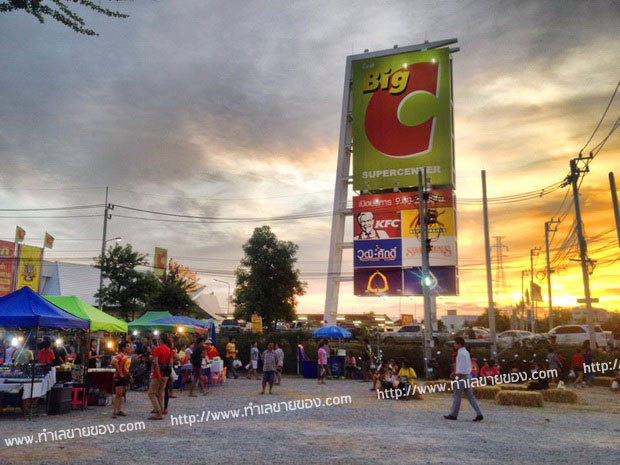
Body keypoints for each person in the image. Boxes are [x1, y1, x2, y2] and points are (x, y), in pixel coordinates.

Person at [444, 337, 483, 422]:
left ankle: (454, 414)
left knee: (457, 396)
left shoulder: (460, 353)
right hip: (468, 376)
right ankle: (479, 413)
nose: (454, 345)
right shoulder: (466, 352)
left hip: (461, 377)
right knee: (470, 396)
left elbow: (460, 367)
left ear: (459, 344)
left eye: (455, 343)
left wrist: (455, 374)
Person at [148, 334, 172, 420]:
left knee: (151, 393)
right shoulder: (169, 350)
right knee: (161, 393)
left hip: (158, 374)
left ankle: (158, 411)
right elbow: (170, 364)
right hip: (166, 374)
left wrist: (158, 375)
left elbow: (156, 363)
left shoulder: (157, 349)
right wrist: (168, 375)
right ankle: (161, 409)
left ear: (160, 340)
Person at [111, 341, 133, 418]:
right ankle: (114, 411)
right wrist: (119, 372)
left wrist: (129, 375)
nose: (129, 347)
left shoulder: (127, 356)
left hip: (124, 376)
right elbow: (113, 362)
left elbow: (126, 368)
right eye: (127, 346)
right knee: (118, 394)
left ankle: (118, 410)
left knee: (121, 394)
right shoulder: (120, 355)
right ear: (124, 348)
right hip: (119, 377)